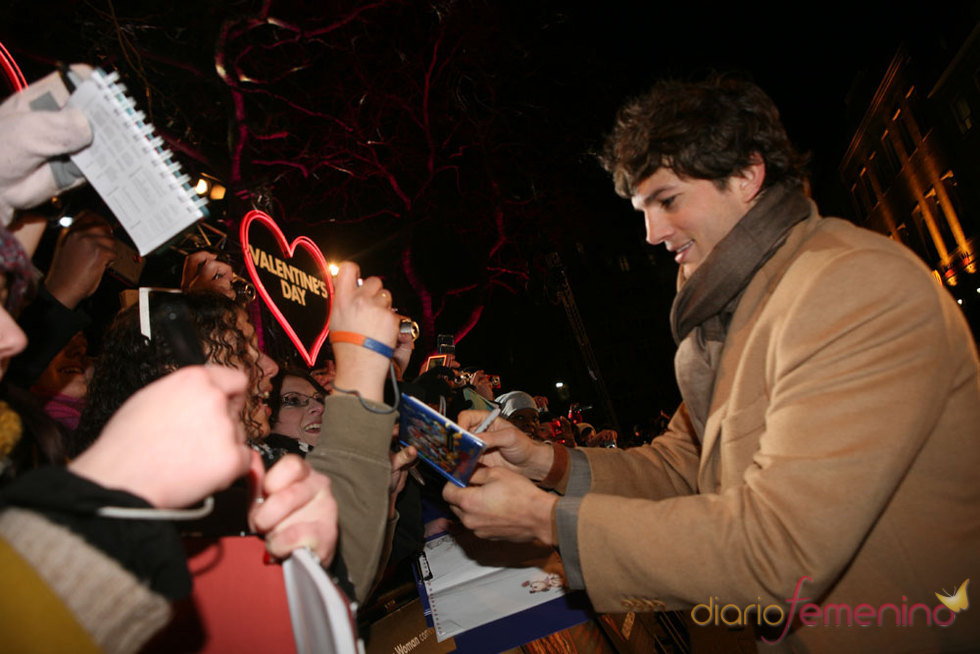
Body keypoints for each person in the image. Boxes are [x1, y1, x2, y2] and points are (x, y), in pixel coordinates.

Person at [443, 76, 980, 652]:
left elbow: (782, 551)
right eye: (642, 210)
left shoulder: (849, 287)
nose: (651, 234)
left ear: (747, 175)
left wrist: (548, 522)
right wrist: (542, 460)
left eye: (668, 201)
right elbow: (684, 466)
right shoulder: (737, 310)